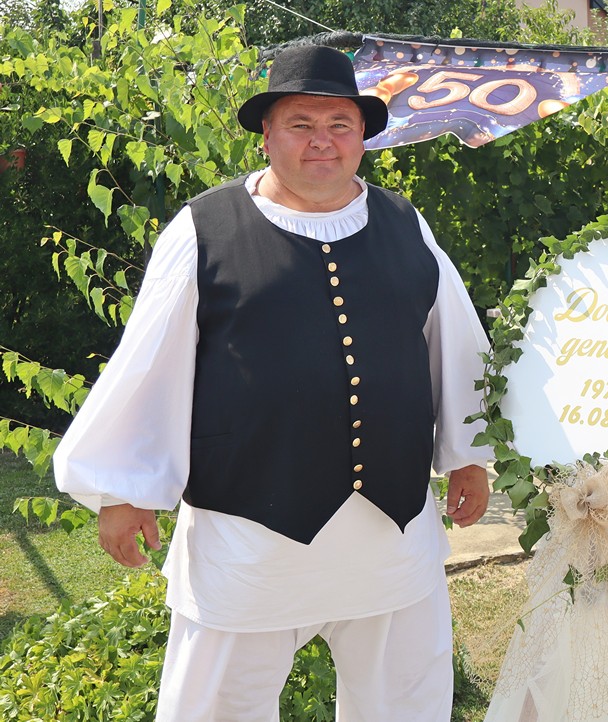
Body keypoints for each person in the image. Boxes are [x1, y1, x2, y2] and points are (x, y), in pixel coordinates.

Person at [53, 44, 492, 722]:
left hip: (391, 537)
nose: (323, 141)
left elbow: (454, 343)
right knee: (218, 707)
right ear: (267, 133)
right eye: (301, 124)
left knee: (404, 701)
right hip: (249, 538)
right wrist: (124, 490)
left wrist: (468, 455)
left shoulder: (406, 224)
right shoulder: (205, 228)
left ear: (363, 136)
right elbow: (150, 362)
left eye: (340, 124)